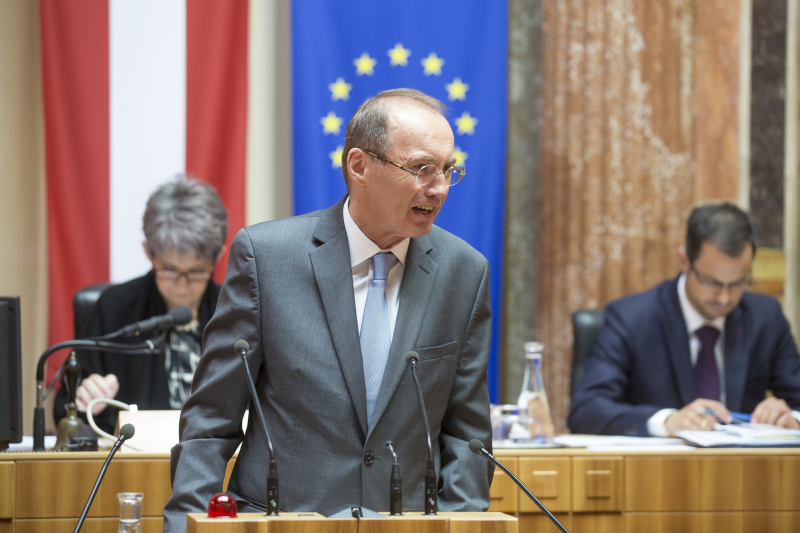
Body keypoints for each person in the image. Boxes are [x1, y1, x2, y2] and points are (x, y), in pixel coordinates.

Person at [163, 89, 493, 531]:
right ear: (359, 166)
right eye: (421, 169)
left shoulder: (464, 272)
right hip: (281, 522)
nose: (438, 189)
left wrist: (458, 526)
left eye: (448, 170)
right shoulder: (267, 258)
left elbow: (467, 438)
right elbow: (210, 421)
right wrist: (188, 525)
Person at [568, 203, 800, 437]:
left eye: (738, 283)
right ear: (684, 261)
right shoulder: (631, 319)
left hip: (741, 471)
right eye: (712, 282)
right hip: (658, 470)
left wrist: (791, 418)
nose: (725, 297)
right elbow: (586, 409)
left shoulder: (765, 318)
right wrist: (667, 422)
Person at [53, 176, 228, 434]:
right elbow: (63, 408)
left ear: (219, 257)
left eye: (196, 272)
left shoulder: (236, 311)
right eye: (169, 270)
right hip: (134, 463)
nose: (181, 285)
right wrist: (90, 399)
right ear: (148, 252)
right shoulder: (115, 309)